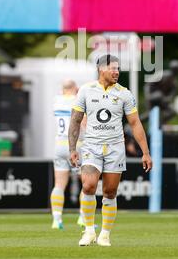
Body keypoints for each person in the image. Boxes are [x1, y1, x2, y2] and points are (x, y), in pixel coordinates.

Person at [68, 54, 153, 247]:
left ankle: (105, 234)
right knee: (88, 186)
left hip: (115, 148)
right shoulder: (86, 91)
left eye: (118, 68)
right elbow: (75, 120)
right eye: (112, 68)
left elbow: (135, 123)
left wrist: (145, 152)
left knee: (110, 191)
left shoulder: (124, 93)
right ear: (101, 69)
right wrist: (72, 148)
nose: (116, 72)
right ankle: (89, 231)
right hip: (91, 146)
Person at [50, 79, 84, 229]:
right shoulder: (78, 101)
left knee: (59, 184)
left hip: (59, 145)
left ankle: (56, 220)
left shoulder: (56, 101)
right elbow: (83, 125)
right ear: (75, 88)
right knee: (87, 183)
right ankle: (84, 217)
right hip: (76, 146)